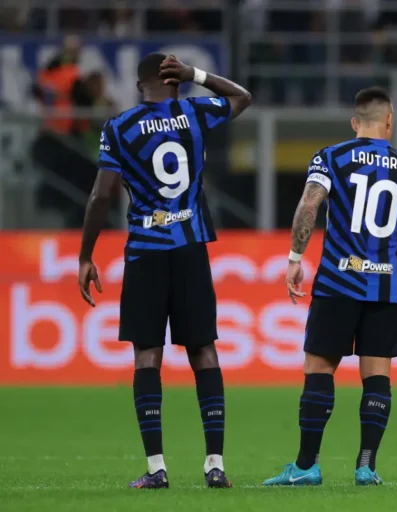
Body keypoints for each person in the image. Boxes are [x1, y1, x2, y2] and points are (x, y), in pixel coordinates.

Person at [263, 87, 397, 487]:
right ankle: (366, 465)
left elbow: (309, 205)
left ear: (354, 122)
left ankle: (307, 465)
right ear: (389, 120)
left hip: (336, 283)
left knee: (318, 370)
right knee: (377, 376)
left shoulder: (330, 157)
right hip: (383, 288)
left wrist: (295, 258)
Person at [77, 53, 252, 489]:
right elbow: (242, 97)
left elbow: (102, 195)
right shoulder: (193, 111)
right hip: (191, 247)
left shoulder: (119, 128)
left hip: (147, 253)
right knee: (204, 351)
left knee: (147, 355)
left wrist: (85, 255)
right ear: (175, 81)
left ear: (139, 87)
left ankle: (157, 469)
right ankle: (215, 465)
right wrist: (197, 75)